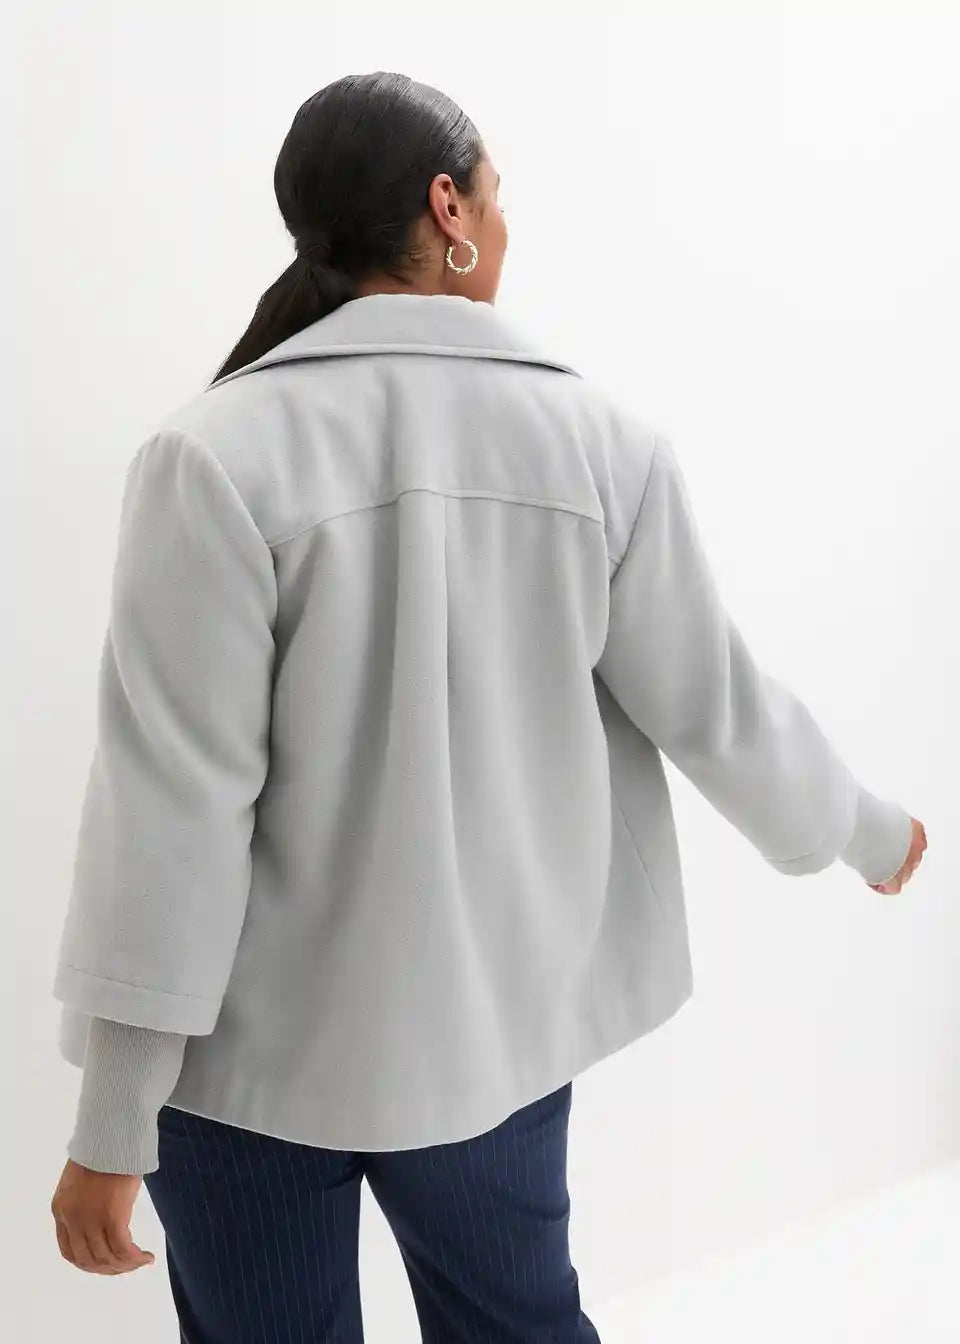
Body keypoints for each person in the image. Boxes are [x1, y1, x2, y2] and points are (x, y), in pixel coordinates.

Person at [48, 70, 926, 1341]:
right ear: (448, 207)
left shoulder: (212, 456)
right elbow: (714, 707)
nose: (506, 224)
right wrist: (867, 831)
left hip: (240, 1075)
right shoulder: (599, 444)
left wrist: (114, 1119)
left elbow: (169, 809)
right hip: (485, 1050)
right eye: (497, 194)